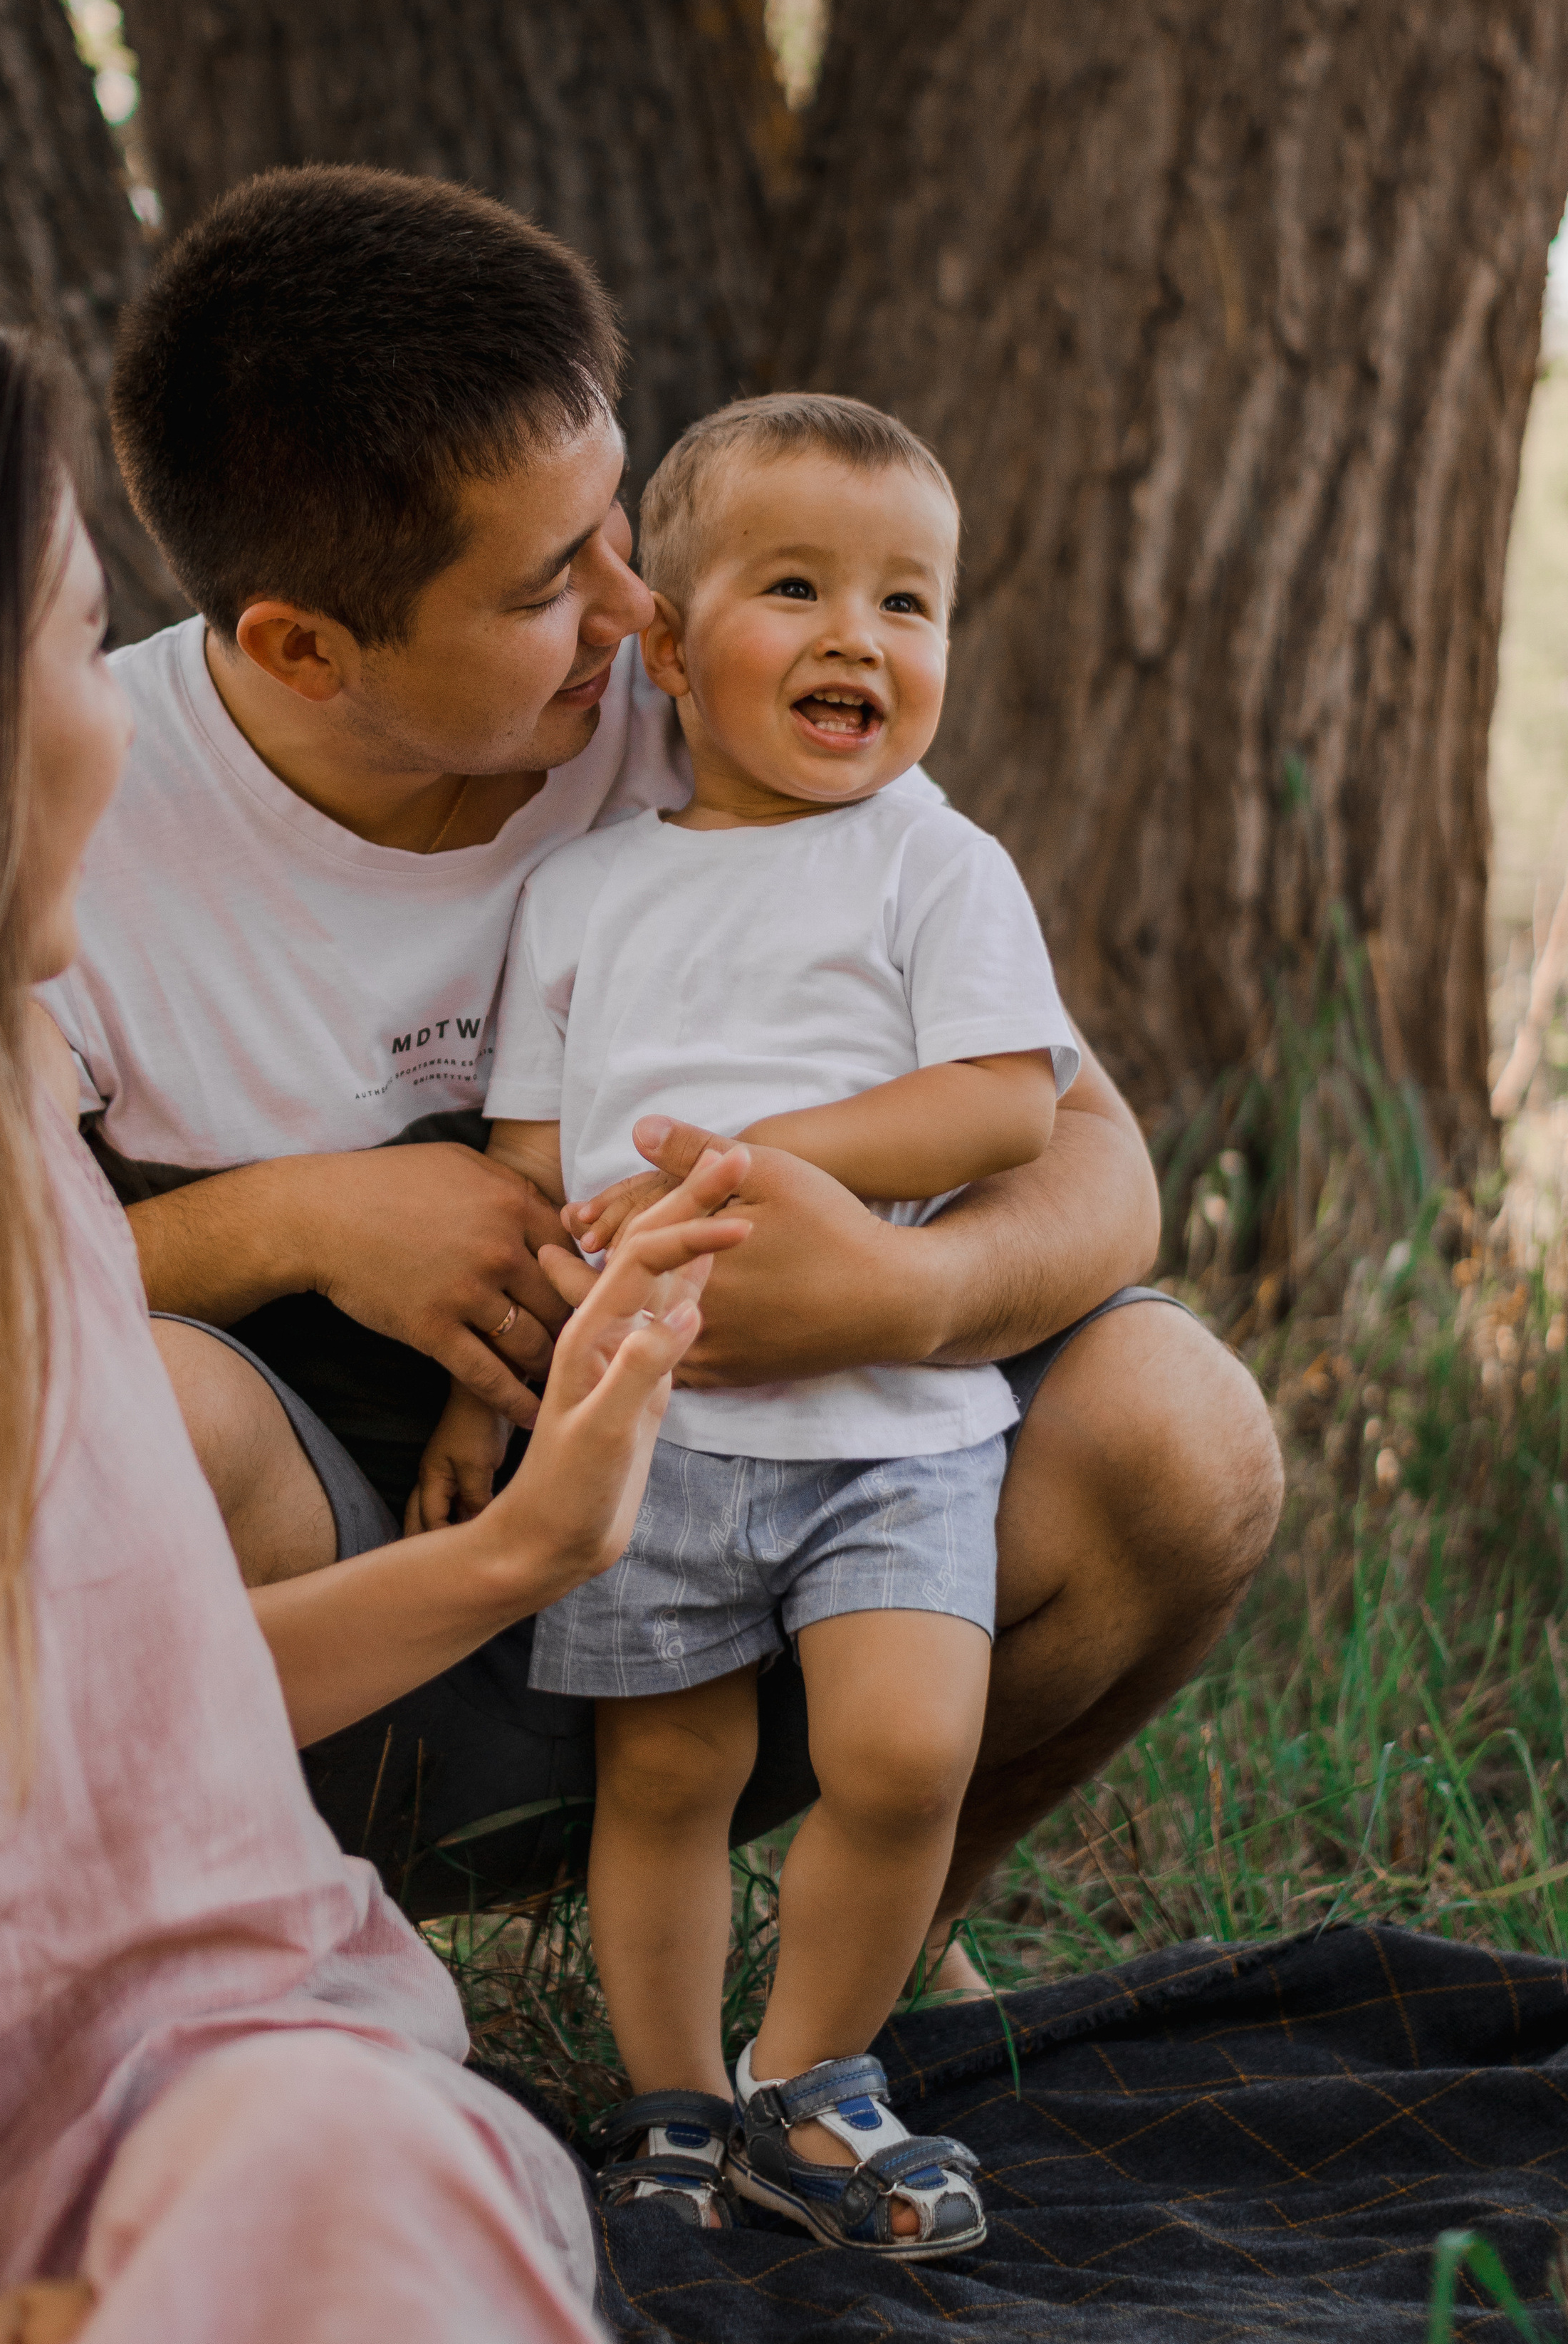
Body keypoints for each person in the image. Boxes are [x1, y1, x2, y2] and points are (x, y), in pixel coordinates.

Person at [35, 165, 1282, 1952]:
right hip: (335, 1618)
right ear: (301, 646)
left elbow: (1097, 1165)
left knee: (1184, 1434)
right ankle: (222, 1968)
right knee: (132, 1402)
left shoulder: (702, 697)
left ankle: (864, 1966)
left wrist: (898, 1300)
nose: (640, 611)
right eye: (551, 584)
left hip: (790, 1514)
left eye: (622, 526)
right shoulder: (67, 818)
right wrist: (296, 1223)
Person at [0, 278, 750, 2341]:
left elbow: (123, 1742)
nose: (112, 697)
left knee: (328, 2170)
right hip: (82, 2178)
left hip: (240, 2092)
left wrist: (544, 1540)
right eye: (60, 639)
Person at [450, 394, 1073, 2250]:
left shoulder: (933, 864)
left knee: (901, 1751)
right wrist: (490, 1394)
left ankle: (813, 2082)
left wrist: (753, 1163)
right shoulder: (580, 891)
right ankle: (670, 2101)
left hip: (893, 1422)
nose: (855, 640)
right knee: (671, 1773)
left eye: (907, 603)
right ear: (665, 638)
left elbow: (1001, 1104)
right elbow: (527, 1167)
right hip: (654, 1432)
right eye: (796, 588)